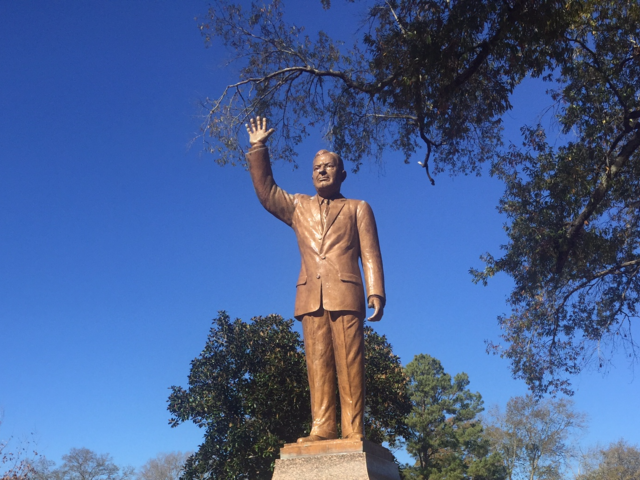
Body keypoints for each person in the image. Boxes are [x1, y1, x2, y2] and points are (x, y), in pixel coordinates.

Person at [245, 116, 385, 443]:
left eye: (329, 166)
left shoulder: (358, 208)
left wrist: (376, 291)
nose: (322, 170)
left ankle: (353, 430)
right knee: (318, 366)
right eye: (317, 167)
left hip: (347, 294)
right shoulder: (298, 207)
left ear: (342, 174)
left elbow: (370, 254)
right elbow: (266, 192)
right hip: (310, 297)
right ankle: (322, 427)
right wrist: (258, 147)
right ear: (311, 174)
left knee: (351, 366)